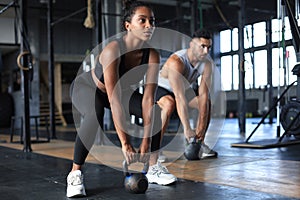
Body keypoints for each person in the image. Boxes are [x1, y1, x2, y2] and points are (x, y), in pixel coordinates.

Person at [66, 0, 176, 198]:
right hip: (88, 88)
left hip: (121, 92)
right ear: (128, 25)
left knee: (157, 110)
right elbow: (114, 100)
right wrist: (125, 143)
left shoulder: (152, 55)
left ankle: (153, 167)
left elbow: (147, 100)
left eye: (151, 21)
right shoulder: (113, 50)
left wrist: (144, 145)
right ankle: (75, 173)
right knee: (94, 115)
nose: (149, 25)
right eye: (142, 20)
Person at [155, 28, 218, 161]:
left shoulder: (207, 64)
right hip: (162, 88)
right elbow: (179, 97)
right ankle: (154, 149)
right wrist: (187, 128)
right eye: (203, 47)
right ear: (192, 45)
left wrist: (200, 130)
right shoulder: (177, 62)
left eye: (209, 47)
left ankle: (200, 143)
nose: (206, 51)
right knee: (169, 104)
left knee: (206, 103)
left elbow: (204, 95)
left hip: (183, 90)